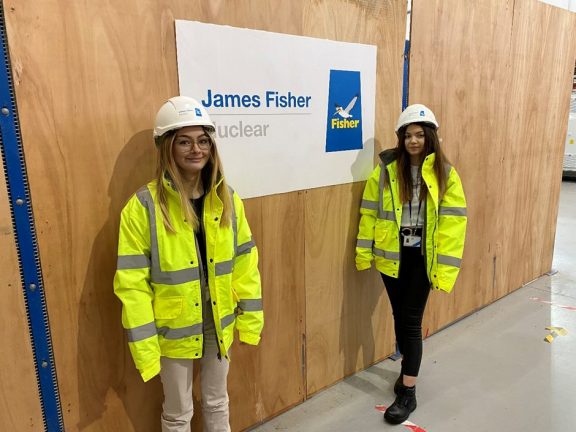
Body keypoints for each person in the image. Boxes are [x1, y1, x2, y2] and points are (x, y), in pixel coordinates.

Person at [114, 96, 264, 432]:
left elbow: (245, 263)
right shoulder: (143, 207)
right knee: (178, 413)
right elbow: (132, 285)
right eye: (184, 141)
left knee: (216, 402)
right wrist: (146, 347)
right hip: (173, 328)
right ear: (167, 147)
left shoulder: (226, 200)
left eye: (202, 141)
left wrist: (251, 321)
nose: (195, 149)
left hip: (219, 319)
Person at [355, 104, 467, 424]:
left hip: (422, 259)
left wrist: (444, 271)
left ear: (431, 137)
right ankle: (407, 370)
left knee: (411, 322)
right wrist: (364, 254)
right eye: (408, 135)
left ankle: (408, 391)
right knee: (399, 315)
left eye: (420, 135)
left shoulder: (446, 174)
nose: (414, 141)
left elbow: (453, 225)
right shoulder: (387, 171)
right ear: (401, 139)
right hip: (393, 256)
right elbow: (369, 213)